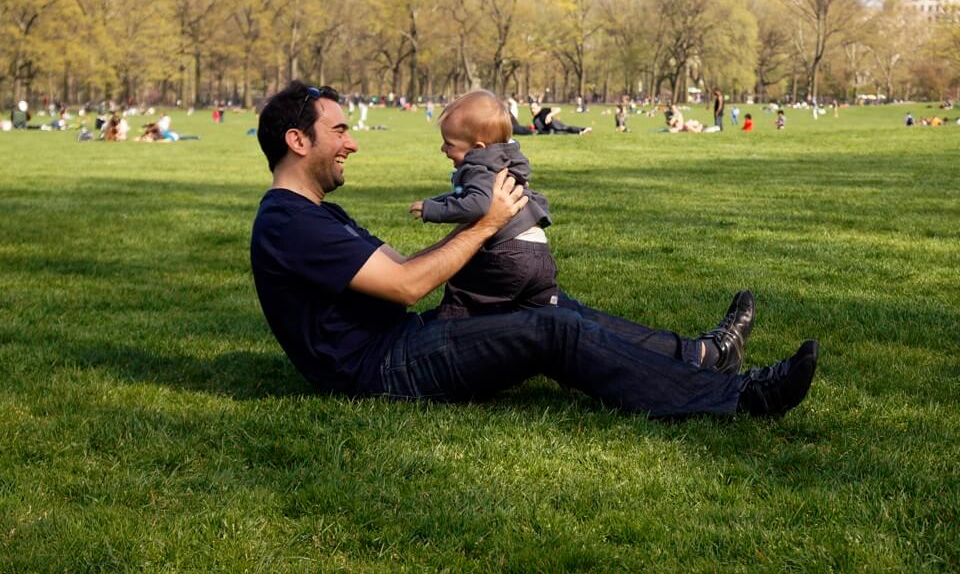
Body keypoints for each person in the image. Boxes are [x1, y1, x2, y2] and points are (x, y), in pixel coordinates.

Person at [249, 81, 820, 420]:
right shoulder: (287, 222)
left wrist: (491, 230)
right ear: (298, 141)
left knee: (550, 306)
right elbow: (406, 286)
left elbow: (399, 268)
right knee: (552, 332)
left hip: (403, 342)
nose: (352, 141)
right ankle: (738, 397)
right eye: (340, 131)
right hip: (380, 370)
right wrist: (485, 222)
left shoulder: (321, 214)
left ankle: (702, 355)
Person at [408, 90, 557, 319]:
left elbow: (476, 205)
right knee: (537, 317)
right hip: (539, 253)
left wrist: (433, 210)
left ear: (477, 148)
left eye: (449, 144)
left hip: (507, 254)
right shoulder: (504, 161)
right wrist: (435, 201)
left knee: (465, 295)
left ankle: (450, 328)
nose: (443, 149)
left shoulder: (476, 168)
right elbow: (463, 196)